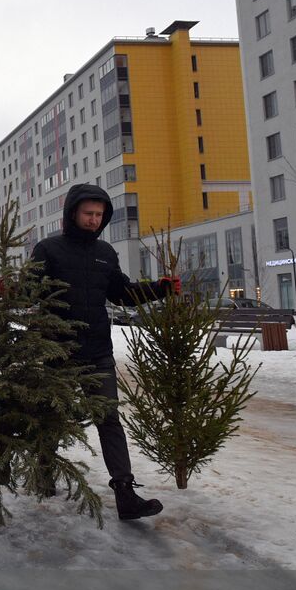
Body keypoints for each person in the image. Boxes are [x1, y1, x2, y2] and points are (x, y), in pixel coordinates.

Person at [30, 183, 179, 522]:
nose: (94, 220)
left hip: (98, 351)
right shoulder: (48, 249)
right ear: (72, 213)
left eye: (99, 215)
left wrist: (159, 289)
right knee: (53, 418)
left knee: (109, 420)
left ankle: (125, 495)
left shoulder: (105, 253)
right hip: (57, 351)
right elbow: (31, 291)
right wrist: (13, 288)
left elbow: (123, 293)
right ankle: (43, 476)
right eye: (88, 213)